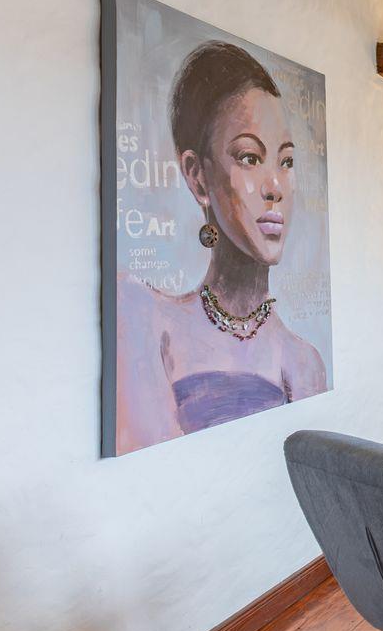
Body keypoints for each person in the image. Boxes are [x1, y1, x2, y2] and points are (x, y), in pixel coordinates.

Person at [117, 41, 326, 452]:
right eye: (249, 158)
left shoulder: (304, 361)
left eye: (286, 161)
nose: (275, 187)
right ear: (197, 176)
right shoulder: (142, 315)